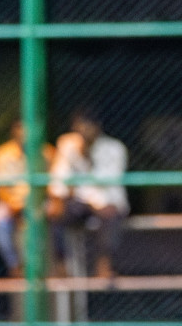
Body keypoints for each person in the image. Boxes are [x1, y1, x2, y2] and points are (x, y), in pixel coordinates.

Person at [48, 108, 129, 278]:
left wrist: (85, 158)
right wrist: (59, 198)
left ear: (97, 127)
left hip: (107, 201)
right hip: (79, 201)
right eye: (79, 127)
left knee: (111, 214)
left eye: (87, 127)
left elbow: (109, 181)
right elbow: (60, 176)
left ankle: (104, 265)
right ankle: (60, 264)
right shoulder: (67, 144)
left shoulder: (115, 148)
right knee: (54, 213)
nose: (83, 132)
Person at [0, 120, 52, 277]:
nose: (25, 135)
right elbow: (0, 188)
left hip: (38, 201)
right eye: (21, 130)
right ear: (14, 132)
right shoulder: (2, 154)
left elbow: (51, 185)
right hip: (9, 202)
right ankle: (14, 265)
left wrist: (33, 203)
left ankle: (42, 265)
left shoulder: (47, 152)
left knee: (52, 213)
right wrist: (13, 205)